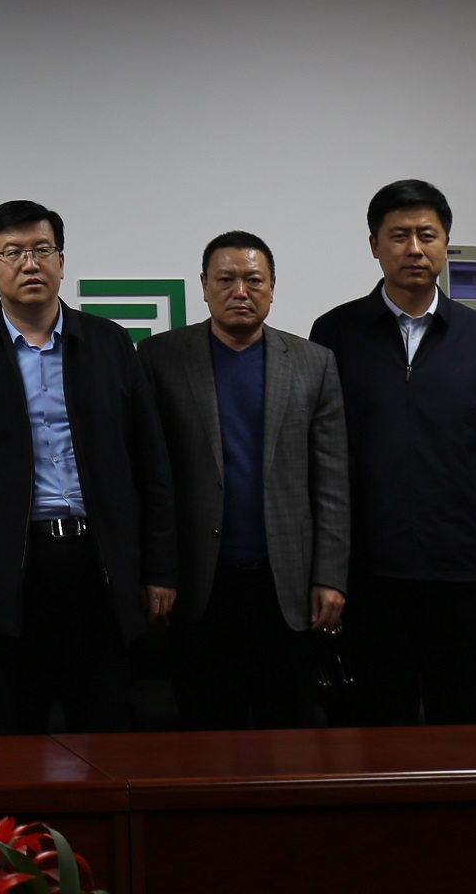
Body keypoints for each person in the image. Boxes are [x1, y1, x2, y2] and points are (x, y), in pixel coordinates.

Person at [0, 199, 175, 735]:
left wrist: (158, 568)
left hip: (99, 563)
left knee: (107, 726)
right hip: (11, 572)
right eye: (12, 253)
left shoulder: (110, 343)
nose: (30, 263)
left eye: (42, 250)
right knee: (14, 731)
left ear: (62, 261)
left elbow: (151, 464)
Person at [310, 178, 476, 725]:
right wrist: (327, 567)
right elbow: (322, 458)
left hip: (462, 573)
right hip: (369, 571)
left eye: (427, 235)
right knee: (379, 719)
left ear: (445, 243)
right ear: (374, 245)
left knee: (462, 716)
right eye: (399, 236)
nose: (414, 249)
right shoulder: (335, 332)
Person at [139, 231, 350, 729]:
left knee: (290, 732)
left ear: (273, 287)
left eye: (253, 280)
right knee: (207, 731)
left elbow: (332, 481)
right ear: (203, 287)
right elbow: (148, 476)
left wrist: (330, 576)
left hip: (287, 585)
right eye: (225, 280)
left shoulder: (313, 362)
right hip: (200, 584)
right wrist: (157, 570)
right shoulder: (159, 358)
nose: (240, 291)